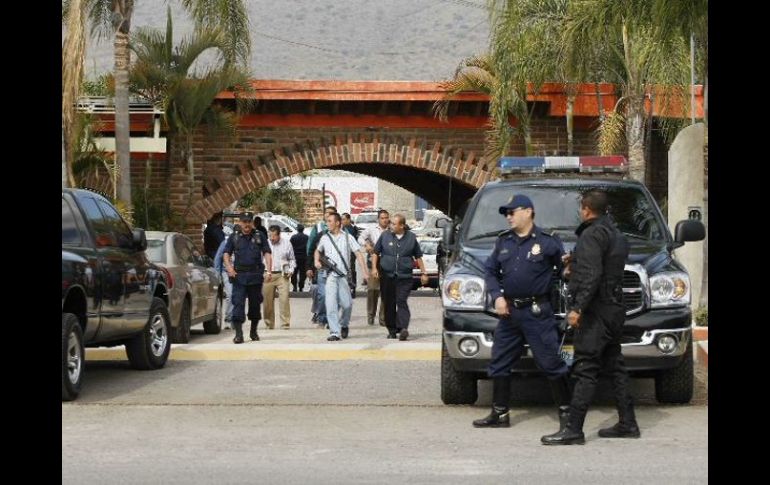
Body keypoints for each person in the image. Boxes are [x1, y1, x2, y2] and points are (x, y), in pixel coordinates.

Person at [541, 190, 638, 445]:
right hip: (615, 308)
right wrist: (576, 259)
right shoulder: (616, 234)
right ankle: (628, 423)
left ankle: (573, 429)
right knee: (615, 366)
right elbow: (606, 265)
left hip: (597, 311)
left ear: (586, 209)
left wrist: (577, 308)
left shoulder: (591, 234)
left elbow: (593, 274)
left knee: (585, 366)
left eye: (581, 208)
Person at [472, 194, 572, 431]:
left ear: (528, 211)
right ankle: (500, 413)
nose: (508, 217)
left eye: (511, 212)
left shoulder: (548, 242)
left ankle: (568, 415)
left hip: (537, 312)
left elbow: (565, 271)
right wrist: (497, 296)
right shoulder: (503, 242)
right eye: (506, 213)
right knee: (499, 362)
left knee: (551, 363)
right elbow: (490, 271)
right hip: (510, 313)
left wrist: (570, 269)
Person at [371, 214, 428, 341]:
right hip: (387, 275)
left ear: (402, 226)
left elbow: (418, 256)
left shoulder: (411, 238)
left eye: (393, 224)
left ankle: (403, 328)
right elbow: (376, 252)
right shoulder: (385, 235)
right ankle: (392, 329)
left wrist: (424, 273)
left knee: (401, 300)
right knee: (388, 303)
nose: (390, 225)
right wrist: (374, 268)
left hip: (405, 276)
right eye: (390, 223)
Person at [314, 212, 368, 341]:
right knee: (331, 304)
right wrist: (316, 261)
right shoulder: (325, 238)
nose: (327, 224)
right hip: (330, 276)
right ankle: (334, 332)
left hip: (343, 275)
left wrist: (365, 272)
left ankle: (344, 324)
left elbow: (359, 254)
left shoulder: (348, 237)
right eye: (327, 221)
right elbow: (317, 250)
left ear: (338, 223)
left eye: (330, 221)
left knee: (347, 304)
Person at [223, 212, 273, 344]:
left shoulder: (259, 235)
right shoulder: (234, 237)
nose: (246, 224)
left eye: (248, 222)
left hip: (255, 276)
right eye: (244, 222)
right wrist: (229, 268)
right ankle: (239, 334)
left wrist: (269, 270)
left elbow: (267, 252)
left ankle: (253, 331)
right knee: (238, 303)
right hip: (239, 276)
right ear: (239, 223)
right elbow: (226, 253)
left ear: (252, 222)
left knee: (255, 305)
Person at [357, 209, 389, 326]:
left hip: (387, 263)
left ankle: (383, 318)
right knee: (372, 290)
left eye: (386, 218)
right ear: (378, 219)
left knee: (386, 292)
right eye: (382, 218)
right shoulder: (371, 229)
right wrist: (366, 244)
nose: (385, 220)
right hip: (374, 263)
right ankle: (371, 315)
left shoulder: (392, 230)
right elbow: (360, 238)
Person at [306, 206, 337, 327]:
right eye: (327, 214)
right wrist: (309, 267)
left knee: (334, 296)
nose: (328, 216)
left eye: (331, 214)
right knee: (321, 294)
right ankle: (322, 317)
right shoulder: (319, 231)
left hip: (337, 270)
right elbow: (311, 249)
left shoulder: (343, 233)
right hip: (322, 269)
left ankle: (330, 319)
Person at [262, 225, 296, 329]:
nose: (271, 238)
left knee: (284, 299)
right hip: (268, 274)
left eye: (273, 236)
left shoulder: (287, 243)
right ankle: (269, 324)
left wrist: (291, 269)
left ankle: (285, 324)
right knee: (267, 301)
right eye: (270, 236)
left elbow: (292, 259)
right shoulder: (265, 243)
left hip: (282, 275)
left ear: (279, 235)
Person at [341, 213, 359, 293]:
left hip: (350, 253)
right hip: (343, 252)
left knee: (351, 269)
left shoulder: (350, 229)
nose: (342, 221)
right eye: (341, 219)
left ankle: (352, 288)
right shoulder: (342, 228)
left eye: (344, 219)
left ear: (348, 220)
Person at [290, 223, 309, 292]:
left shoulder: (293, 237)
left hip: (295, 257)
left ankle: (294, 286)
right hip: (304, 257)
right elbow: (308, 247)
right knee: (302, 273)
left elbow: (290, 247)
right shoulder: (307, 237)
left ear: (297, 229)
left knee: (294, 272)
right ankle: (301, 287)